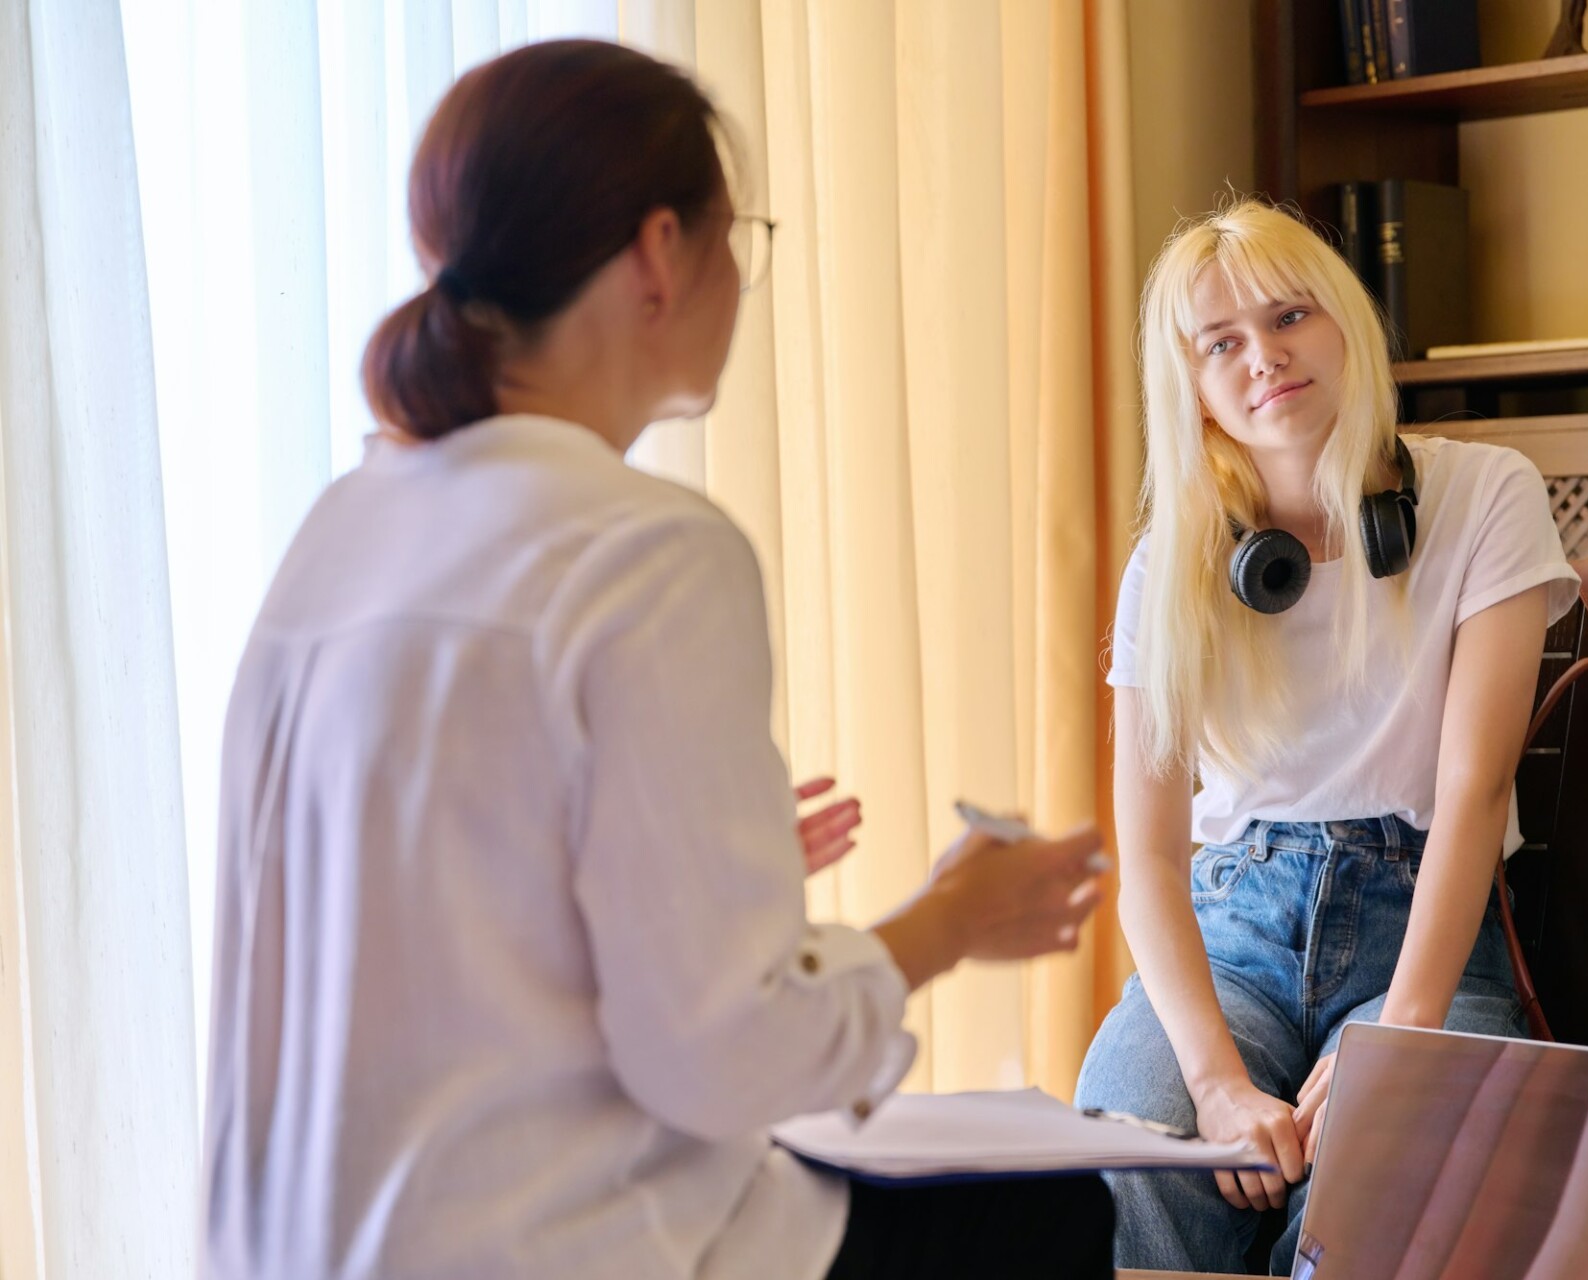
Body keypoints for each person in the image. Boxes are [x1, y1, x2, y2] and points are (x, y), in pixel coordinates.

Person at [199, 39, 1113, 1280]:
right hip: (541, 1250)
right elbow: (723, 1056)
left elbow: (444, 899)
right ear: (659, 252)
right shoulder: (646, 552)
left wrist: (695, 865)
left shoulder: (345, 526)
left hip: (293, 1254)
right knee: (1053, 1213)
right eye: (742, 235)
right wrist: (948, 922)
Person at [1073, 200, 1580, 1274]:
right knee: (1124, 1165)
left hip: (1426, 919)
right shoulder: (1169, 563)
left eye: (1288, 315)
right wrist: (1213, 1080)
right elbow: (1152, 858)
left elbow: (1477, 789)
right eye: (1222, 343)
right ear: (1196, 386)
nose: (1265, 356)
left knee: (1386, 1197)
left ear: (1343, 318)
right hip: (1232, 933)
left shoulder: (1486, 491)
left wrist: (1402, 1032)